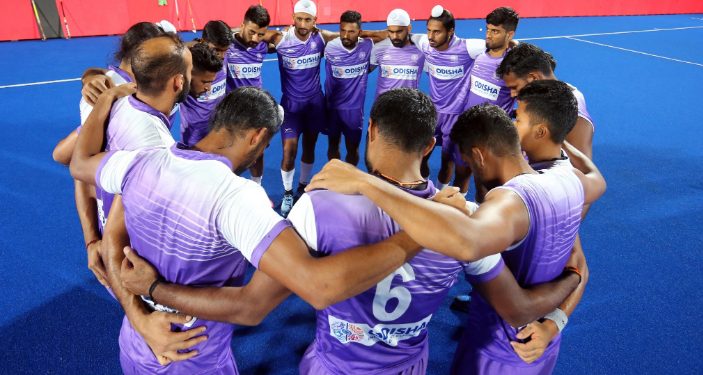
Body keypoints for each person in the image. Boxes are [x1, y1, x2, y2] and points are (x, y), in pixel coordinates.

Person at [116, 88, 580, 375]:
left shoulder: (318, 205)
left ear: (372, 129)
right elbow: (518, 307)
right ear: (431, 146)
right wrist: (571, 283)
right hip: (408, 366)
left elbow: (250, 304)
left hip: (334, 367)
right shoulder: (466, 221)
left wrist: (150, 292)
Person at [71, 80, 438, 373]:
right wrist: (422, 230)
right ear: (258, 137)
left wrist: (138, 315)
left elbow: (80, 168)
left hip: (135, 348)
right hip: (194, 360)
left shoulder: (142, 161)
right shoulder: (238, 198)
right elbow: (281, 298)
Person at [306, 102, 605, 374]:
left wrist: (365, 182)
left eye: (469, 164)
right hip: (540, 349)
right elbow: (581, 257)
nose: (472, 173)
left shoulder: (496, 210)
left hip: (498, 354)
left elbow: (467, 240)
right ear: (428, 147)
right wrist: (559, 315)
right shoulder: (568, 184)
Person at [272, 0, 340, 216]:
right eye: (299, 18)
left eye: (307, 19)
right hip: (291, 107)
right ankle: (288, 192)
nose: (303, 23)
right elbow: (250, 35)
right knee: (288, 150)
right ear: (293, 19)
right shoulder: (282, 39)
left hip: (314, 105)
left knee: (310, 147)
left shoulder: (321, 37)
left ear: (315, 21)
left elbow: (352, 36)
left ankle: (302, 185)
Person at [410, 5, 485, 191]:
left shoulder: (468, 48)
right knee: (420, 156)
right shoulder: (425, 44)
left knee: (447, 160)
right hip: (433, 113)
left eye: (437, 32)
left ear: (450, 31)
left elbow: (502, 47)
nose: (430, 36)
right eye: (428, 30)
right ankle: (424, 191)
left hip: (457, 116)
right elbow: (398, 35)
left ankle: (442, 195)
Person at [496, 42, 595, 158]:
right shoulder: (546, 95)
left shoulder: (575, 115)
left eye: (514, 87)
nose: (512, 94)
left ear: (533, 78)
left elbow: (580, 171)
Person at [224, 5, 274, 185]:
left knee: (257, 154)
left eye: (261, 34)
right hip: (232, 113)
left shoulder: (263, 46)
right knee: (230, 156)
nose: (255, 38)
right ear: (242, 25)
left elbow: (283, 37)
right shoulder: (227, 46)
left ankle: (257, 187)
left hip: (257, 109)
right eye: (251, 32)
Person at [323, 10, 374, 166]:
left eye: (351, 32)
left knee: (353, 149)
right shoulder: (330, 47)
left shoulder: (368, 46)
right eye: (342, 30)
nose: (345, 35)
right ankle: (335, 177)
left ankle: (349, 180)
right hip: (332, 108)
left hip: (354, 111)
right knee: (333, 145)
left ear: (359, 32)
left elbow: (369, 67)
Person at [465, 7, 520, 112]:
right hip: (469, 123)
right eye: (488, 29)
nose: (488, 35)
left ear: (510, 34)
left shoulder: (514, 65)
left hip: (495, 127)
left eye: (495, 31)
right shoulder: (478, 55)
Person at [369, 9, 425, 98]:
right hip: (383, 106)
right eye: (391, 32)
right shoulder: (379, 48)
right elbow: (362, 72)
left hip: (409, 106)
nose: (395, 36)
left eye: (399, 31)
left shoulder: (421, 49)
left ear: (409, 28)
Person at [179, 42, 225, 147]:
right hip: (192, 145)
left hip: (218, 138)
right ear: (188, 75)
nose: (208, 88)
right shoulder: (172, 90)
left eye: (210, 82)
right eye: (204, 82)